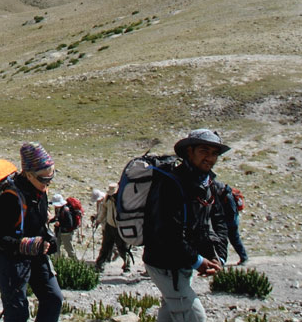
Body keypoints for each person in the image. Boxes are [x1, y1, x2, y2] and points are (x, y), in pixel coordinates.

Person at [143, 129, 231, 322]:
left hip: (184, 262)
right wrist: (198, 261)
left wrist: (219, 258)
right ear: (189, 152)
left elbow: (219, 223)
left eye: (215, 153)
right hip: (165, 263)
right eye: (204, 151)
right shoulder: (170, 183)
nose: (210, 157)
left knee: (172, 311)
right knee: (194, 317)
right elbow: (167, 233)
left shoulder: (209, 185)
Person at [0, 142, 62, 322]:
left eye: (51, 177)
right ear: (29, 174)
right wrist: (28, 245)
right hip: (10, 262)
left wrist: (49, 240)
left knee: (54, 299)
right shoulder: (10, 197)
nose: (48, 183)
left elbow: (39, 226)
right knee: (17, 313)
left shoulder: (40, 192)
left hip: (36, 256)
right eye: (44, 179)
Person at [93, 183, 134, 273]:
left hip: (120, 226)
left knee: (122, 247)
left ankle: (127, 265)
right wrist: (99, 220)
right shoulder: (107, 198)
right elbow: (104, 210)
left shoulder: (122, 198)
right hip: (109, 225)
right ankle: (99, 265)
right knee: (105, 246)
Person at [214, 181, 249, 265]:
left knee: (233, 240)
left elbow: (231, 212)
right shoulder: (225, 194)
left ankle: (243, 258)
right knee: (233, 240)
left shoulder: (227, 197)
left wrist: (223, 222)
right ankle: (242, 257)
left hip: (230, 222)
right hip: (231, 221)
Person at [48, 194, 81, 259]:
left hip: (66, 233)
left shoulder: (66, 211)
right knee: (56, 247)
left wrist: (60, 224)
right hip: (59, 231)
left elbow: (70, 224)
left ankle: (75, 261)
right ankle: (57, 262)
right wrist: (50, 221)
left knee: (68, 248)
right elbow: (57, 218)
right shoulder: (58, 209)